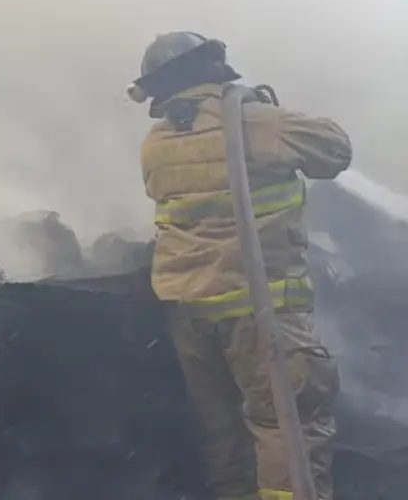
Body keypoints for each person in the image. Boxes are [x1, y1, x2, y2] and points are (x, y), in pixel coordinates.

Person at [127, 32, 351, 500]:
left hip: (191, 318)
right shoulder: (254, 123)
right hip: (260, 313)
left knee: (225, 439)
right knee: (287, 430)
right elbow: (335, 149)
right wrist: (267, 109)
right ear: (214, 66)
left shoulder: (155, 143)